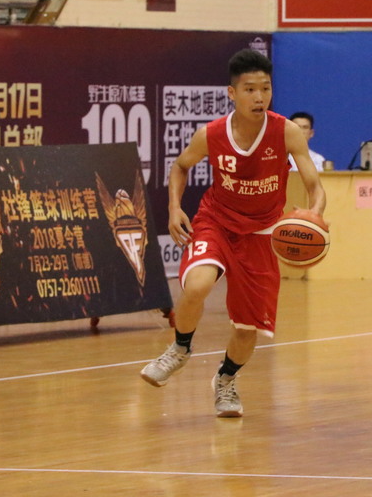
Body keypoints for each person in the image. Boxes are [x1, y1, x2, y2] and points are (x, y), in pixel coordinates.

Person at [140, 49, 326, 418]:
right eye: (250, 89)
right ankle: (180, 348)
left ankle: (225, 379)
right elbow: (180, 167)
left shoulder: (286, 132)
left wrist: (314, 214)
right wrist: (175, 208)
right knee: (197, 286)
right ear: (232, 93)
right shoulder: (211, 134)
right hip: (217, 221)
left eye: (266, 89)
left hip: (263, 231)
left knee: (247, 329)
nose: (259, 97)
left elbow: (314, 186)